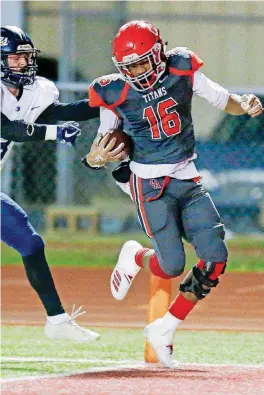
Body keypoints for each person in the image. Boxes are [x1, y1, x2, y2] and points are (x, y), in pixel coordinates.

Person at [84, 20, 263, 366]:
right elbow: (101, 148)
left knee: (215, 258)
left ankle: (165, 328)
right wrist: (96, 157)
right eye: (129, 66)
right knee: (170, 266)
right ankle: (136, 256)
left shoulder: (182, 68)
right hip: (149, 184)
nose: (137, 72)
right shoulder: (115, 92)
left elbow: (223, 99)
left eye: (142, 62)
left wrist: (245, 103)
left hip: (187, 176)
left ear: (160, 52)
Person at [1, 25, 124, 342]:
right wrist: (57, 134)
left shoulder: (34, 91)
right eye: (16, 58)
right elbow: (11, 130)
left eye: (26, 57)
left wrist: (103, 102)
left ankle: (56, 320)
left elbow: (57, 112)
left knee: (30, 243)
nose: (24, 64)